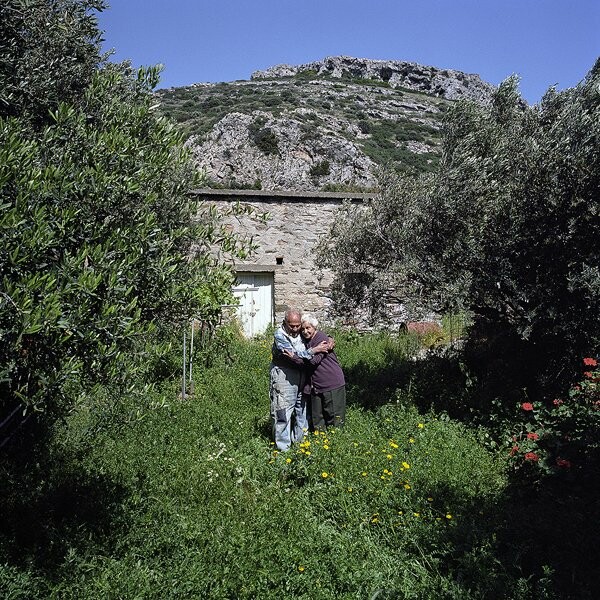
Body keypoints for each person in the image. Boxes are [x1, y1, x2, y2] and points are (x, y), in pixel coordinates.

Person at [270, 309, 330, 451]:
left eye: (298, 326)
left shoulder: (300, 332)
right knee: (282, 411)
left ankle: (301, 445)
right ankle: (283, 449)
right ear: (285, 323)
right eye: (292, 326)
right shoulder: (280, 335)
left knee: (302, 410)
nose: (296, 329)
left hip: (302, 375)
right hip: (284, 376)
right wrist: (313, 351)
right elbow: (294, 356)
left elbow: (314, 335)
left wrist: (329, 339)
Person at [301, 314, 346, 431]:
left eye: (308, 328)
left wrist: (297, 358)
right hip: (316, 385)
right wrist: (311, 352)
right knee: (317, 418)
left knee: (334, 417)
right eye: (303, 329)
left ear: (314, 327)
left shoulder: (321, 338)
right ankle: (320, 440)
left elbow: (314, 361)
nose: (305, 331)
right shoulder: (305, 340)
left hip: (331, 381)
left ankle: (336, 440)